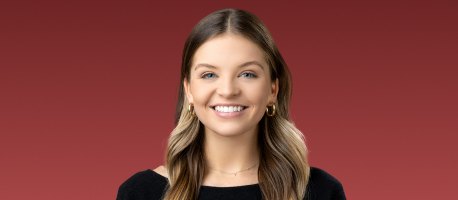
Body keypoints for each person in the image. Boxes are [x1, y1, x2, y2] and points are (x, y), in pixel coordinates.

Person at [116, 8, 346, 200]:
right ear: (189, 91)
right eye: (209, 75)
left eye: (247, 74)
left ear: (272, 90)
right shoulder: (140, 193)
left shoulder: (321, 191)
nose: (227, 91)